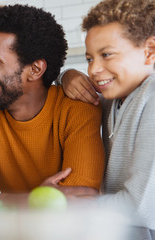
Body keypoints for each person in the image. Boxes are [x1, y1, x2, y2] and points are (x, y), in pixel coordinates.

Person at [0, 4, 105, 198]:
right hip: (9, 227)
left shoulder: (77, 107)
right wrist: (36, 198)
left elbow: (79, 200)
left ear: (35, 70)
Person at [60, 0, 155, 238]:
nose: (93, 70)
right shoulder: (114, 98)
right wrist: (66, 75)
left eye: (107, 55)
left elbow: (140, 207)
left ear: (149, 52)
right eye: (90, 58)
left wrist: (67, 203)